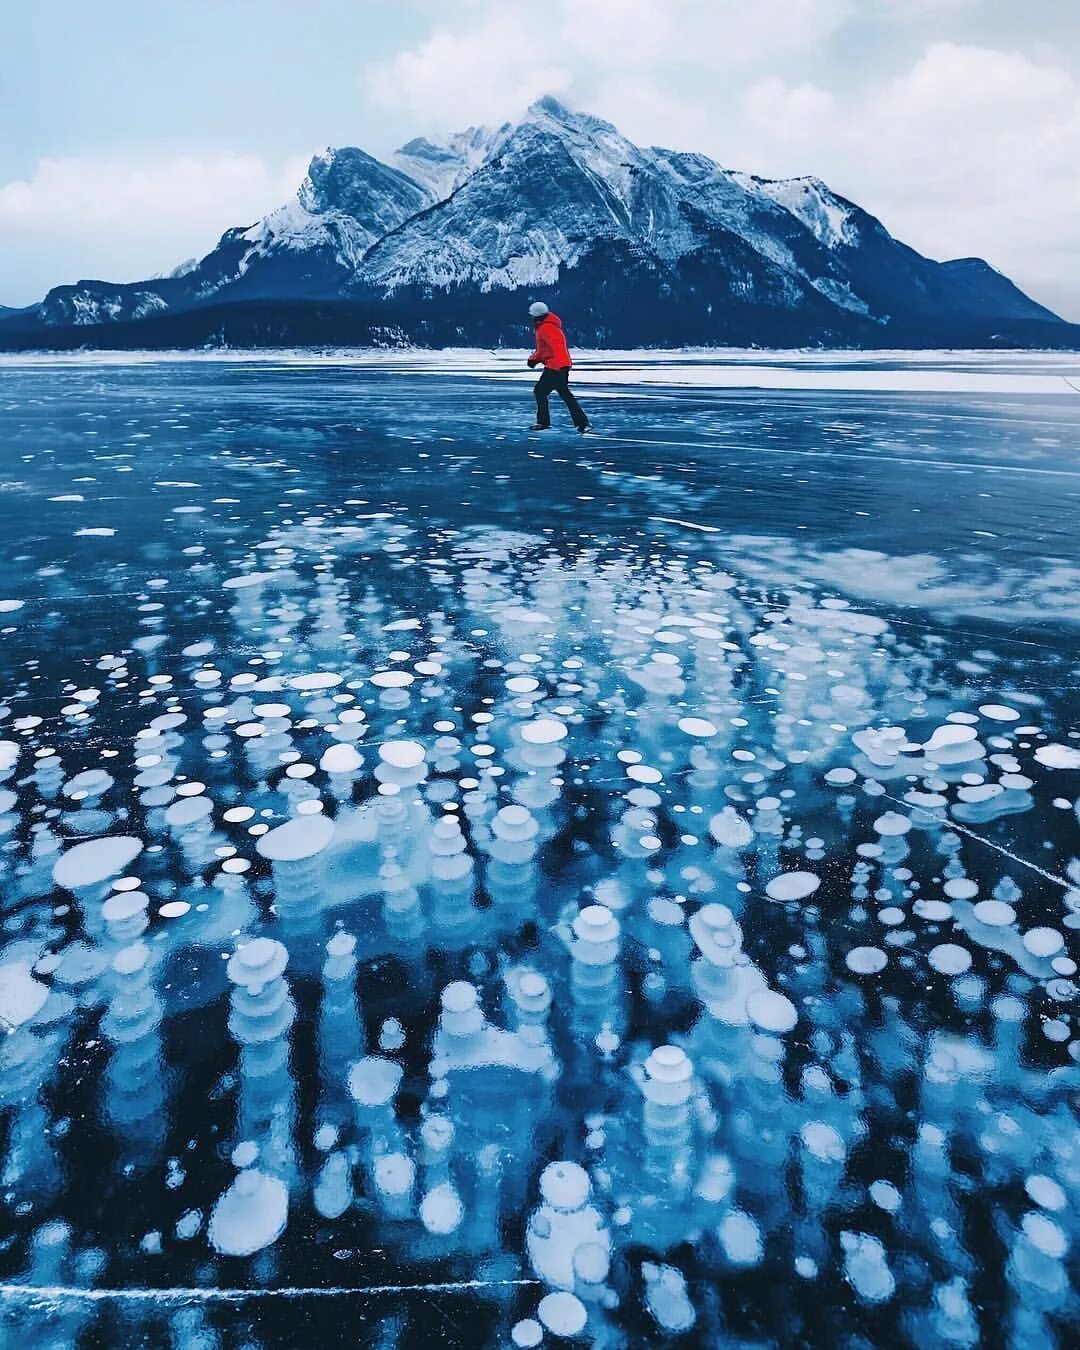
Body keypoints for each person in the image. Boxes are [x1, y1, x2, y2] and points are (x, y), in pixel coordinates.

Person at [526, 301, 590, 433]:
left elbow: (554, 348)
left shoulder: (546, 328)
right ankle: (582, 423)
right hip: (561, 365)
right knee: (565, 394)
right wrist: (534, 359)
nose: (531, 319)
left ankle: (543, 422)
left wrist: (535, 360)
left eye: (532, 316)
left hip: (556, 366)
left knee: (540, 391)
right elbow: (545, 350)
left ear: (536, 316)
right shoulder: (549, 327)